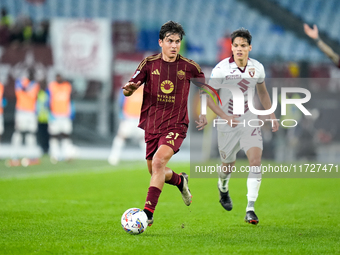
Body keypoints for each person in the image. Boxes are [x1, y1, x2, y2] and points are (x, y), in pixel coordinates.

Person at [122, 20, 207, 226]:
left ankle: (147, 214)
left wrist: (203, 112)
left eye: (178, 41)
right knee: (154, 170)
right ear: (161, 42)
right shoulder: (149, 64)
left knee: (159, 162)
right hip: (152, 124)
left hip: (176, 125)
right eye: (170, 41)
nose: (174, 45)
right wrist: (129, 90)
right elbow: (129, 87)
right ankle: (180, 181)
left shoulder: (189, 67)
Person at [207, 28, 279, 225]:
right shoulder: (221, 69)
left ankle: (250, 208)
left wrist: (271, 114)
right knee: (227, 166)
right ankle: (223, 187)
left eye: (243, 46)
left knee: (255, 161)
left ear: (250, 47)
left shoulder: (257, 68)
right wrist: (225, 116)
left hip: (249, 121)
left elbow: (262, 93)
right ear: (231, 47)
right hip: (226, 124)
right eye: (236, 46)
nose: (239, 49)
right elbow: (209, 98)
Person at [108, 85, 145, 165]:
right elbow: (121, 102)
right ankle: (114, 157)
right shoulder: (127, 88)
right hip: (129, 117)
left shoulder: (146, 89)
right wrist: (122, 115)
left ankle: (148, 158)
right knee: (121, 136)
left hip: (140, 117)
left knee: (144, 139)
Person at [10, 68, 40, 165]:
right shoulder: (21, 82)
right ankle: (15, 157)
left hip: (31, 112)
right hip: (21, 111)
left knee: (31, 134)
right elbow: (22, 88)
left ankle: (31, 156)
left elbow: (31, 94)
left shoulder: (35, 85)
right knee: (18, 132)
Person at [47, 73, 75, 163]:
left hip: (65, 115)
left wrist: (71, 111)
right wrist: (49, 113)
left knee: (66, 135)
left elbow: (70, 99)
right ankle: (55, 155)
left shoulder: (67, 86)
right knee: (54, 136)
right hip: (55, 115)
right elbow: (48, 99)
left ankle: (67, 154)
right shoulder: (52, 86)